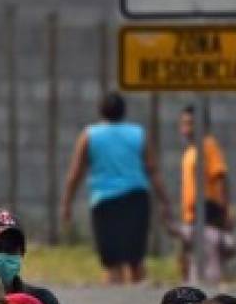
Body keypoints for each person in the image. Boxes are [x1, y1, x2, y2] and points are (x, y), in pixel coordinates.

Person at [59, 91, 174, 285]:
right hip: (136, 200)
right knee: (135, 258)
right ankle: (136, 294)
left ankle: (114, 294)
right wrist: (165, 202)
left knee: (111, 260)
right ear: (124, 111)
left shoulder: (89, 135)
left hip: (105, 202)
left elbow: (75, 173)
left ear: (101, 111)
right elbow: (153, 170)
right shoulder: (138, 134)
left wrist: (66, 204)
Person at [177, 105, 234, 284]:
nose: (186, 129)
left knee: (208, 269)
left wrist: (225, 213)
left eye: (191, 124)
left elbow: (221, 179)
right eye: (184, 124)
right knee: (188, 264)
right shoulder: (190, 151)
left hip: (208, 216)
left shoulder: (208, 145)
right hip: (191, 217)